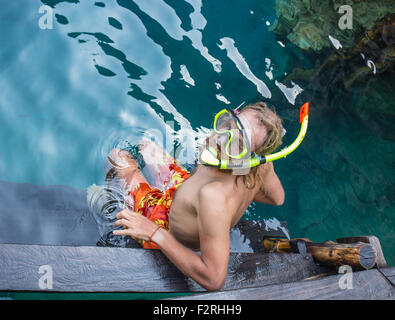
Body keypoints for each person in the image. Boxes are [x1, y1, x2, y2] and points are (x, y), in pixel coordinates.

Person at [111, 101, 285, 291]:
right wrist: (239, 198)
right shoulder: (261, 166)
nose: (219, 140)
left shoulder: (213, 197)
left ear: (250, 155)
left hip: (162, 224)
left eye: (238, 144)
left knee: (117, 157)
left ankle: (124, 203)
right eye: (228, 125)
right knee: (145, 147)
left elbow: (214, 279)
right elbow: (277, 198)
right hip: (182, 192)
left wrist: (153, 232)